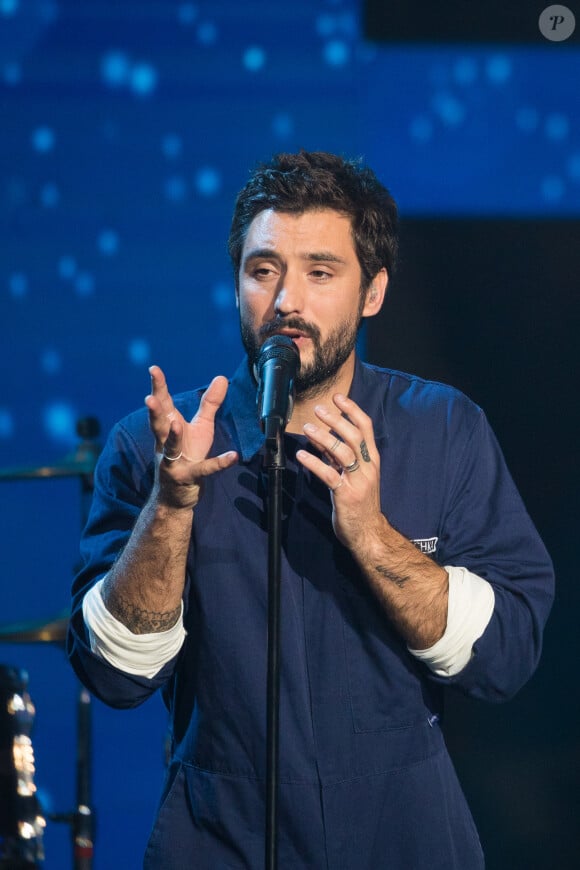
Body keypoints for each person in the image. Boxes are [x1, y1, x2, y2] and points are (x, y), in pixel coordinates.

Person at [68, 151, 554, 869]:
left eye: (320, 273)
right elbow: (114, 674)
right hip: (220, 831)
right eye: (263, 270)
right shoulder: (158, 445)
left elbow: (505, 655)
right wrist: (172, 506)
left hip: (405, 829)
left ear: (373, 293)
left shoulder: (442, 428)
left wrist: (370, 533)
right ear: (238, 284)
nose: (287, 299)